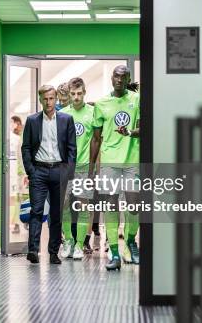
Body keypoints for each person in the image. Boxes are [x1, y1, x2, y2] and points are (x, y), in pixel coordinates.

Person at [89, 65, 140, 271]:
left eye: (124, 77)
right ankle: (114, 253)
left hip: (132, 160)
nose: (119, 80)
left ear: (128, 79)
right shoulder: (101, 104)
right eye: (117, 76)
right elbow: (95, 139)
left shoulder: (137, 100)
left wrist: (129, 132)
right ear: (112, 78)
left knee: (135, 205)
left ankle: (130, 242)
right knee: (111, 206)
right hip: (110, 162)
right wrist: (91, 168)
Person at [22, 85, 76, 264]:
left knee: (56, 213)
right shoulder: (32, 120)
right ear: (40, 100)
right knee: (36, 211)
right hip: (39, 171)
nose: (49, 102)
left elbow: (71, 148)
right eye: (45, 98)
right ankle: (33, 250)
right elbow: (27, 147)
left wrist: (68, 172)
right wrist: (31, 170)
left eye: (51, 98)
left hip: (59, 171)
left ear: (56, 99)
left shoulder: (67, 120)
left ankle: (53, 252)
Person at [60, 78, 95, 260]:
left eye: (79, 93)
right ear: (69, 94)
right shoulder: (63, 114)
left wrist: (93, 169)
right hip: (66, 167)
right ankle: (69, 241)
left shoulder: (92, 112)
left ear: (84, 92)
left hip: (84, 167)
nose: (76, 97)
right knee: (64, 204)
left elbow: (97, 141)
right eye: (73, 94)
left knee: (83, 205)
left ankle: (80, 245)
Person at [9, 116, 25, 234]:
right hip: (17, 173)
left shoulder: (20, 137)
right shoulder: (14, 138)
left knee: (19, 198)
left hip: (21, 173)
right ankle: (16, 223)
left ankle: (18, 223)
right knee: (17, 198)